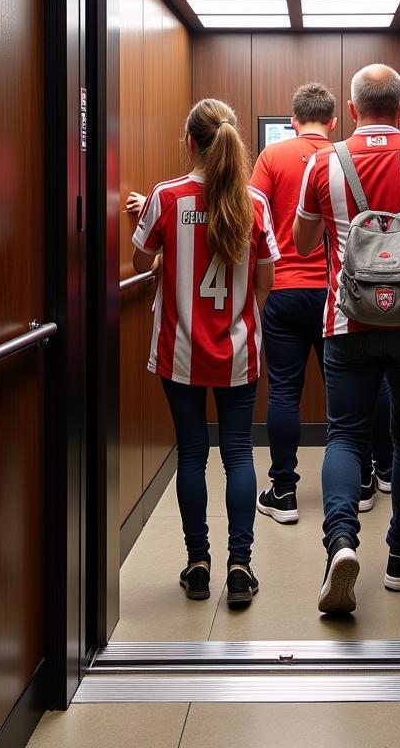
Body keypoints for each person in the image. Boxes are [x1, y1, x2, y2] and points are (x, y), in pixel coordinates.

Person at [294, 63, 400, 615]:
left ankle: (340, 543)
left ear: (355, 110)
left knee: (344, 437)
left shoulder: (324, 163)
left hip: (348, 323)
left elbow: (303, 237)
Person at [128, 98, 279, 608]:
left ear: (190, 142)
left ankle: (197, 566)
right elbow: (265, 284)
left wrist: (170, 258)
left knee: (191, 454)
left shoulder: (166, 197)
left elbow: (139, 257)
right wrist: (236, 320)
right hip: (238, 352)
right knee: (238, 454)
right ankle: (241, 567)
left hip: (179, 351)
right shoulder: (254, 201)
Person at [250, 83, 391, 525]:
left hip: (284, 291)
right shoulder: (343, 157)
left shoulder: (272, 157)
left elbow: (252, 210)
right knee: (355, 389)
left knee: (285, 391)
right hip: (338, 295)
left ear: (292, 120)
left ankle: (285, 492)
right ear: (335, 121)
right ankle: (369, 477)